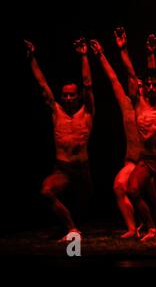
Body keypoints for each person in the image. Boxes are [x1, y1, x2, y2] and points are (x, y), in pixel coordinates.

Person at [25, 38, 94, 241]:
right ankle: (73, 230)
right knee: (47, 191)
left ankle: (74, 226)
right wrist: (32, 59)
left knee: (84, 209)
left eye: (72, 95)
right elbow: (42, 83)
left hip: (83, 170)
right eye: (65, 95)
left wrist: (83, 56)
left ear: (78, 96)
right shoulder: (56, 112)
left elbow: (88, 84)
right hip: (63, 168)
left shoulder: (87, 112)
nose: (69, 98)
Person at [116, 27, 156, 242]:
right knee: (132, 190)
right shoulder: (138, 102)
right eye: (148, 84)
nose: (151, 87)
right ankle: (151, 228)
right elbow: (131, 75)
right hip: (148, 160)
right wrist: (123, 50)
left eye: (155, 84)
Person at [89, 36, 143, 239]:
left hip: (151, 162)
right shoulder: (126, 105)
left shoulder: (149, 105)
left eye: (139, 84)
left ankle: (152, 225)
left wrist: (124, 50)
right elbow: (114, 79)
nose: (135, 86)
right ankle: (131, 228)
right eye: (133, 84)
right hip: (132, 161)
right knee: (119, 185)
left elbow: (134, 74)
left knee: (151, 196)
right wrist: (101, 55)